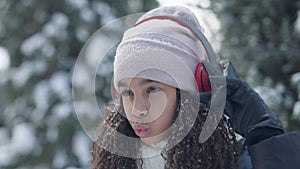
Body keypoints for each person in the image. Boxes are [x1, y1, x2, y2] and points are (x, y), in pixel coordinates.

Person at [91, 6, 300, 169]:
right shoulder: (115, 162)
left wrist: (266, 139)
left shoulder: (232, 159)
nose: (137, 109)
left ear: (192, 91)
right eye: (128, 92)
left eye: (152, 89)